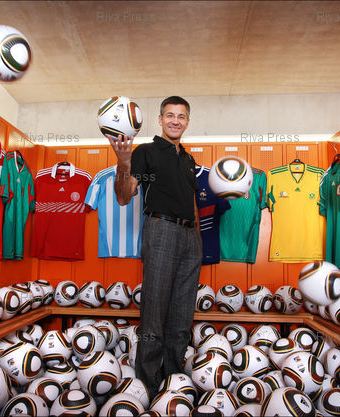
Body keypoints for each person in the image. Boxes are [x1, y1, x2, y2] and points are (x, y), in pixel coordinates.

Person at [107, 96, 202, 394]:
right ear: (160, 119)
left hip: (190, 238)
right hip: (161, 230)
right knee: (155, 311)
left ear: (187, 122)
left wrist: (197, 237)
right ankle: (147, 386)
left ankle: (173, 379)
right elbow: (124, 196)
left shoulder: (188, 160)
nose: (176, 120)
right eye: (170, 115)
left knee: (182, 315)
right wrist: (124, 162)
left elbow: (192, 202)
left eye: (181, 116)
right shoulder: (145, 152)